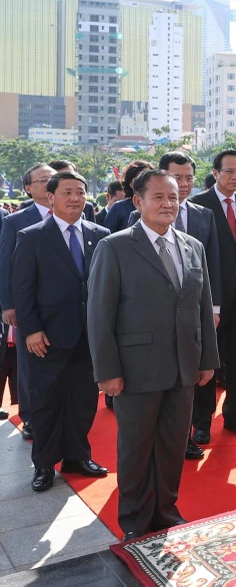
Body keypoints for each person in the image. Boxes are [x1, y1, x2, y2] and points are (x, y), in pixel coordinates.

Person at [88, 170, 219, 540]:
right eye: (158, 197)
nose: (168, 204)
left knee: (172, 445)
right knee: (135, 447)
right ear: (138, 202)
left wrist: (207, 357)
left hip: (184, 366)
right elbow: (100, 314)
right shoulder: (114, 247)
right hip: (136, 368)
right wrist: (107, 370)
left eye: (173, 197)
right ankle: (134, 520)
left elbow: (201, 307)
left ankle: (165, 511)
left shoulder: (193, 246)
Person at [12, 171, 110, 492]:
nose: (75, 198)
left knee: (83, 400)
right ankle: (43, 465)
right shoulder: (33, 236)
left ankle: (77, 457)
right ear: (50, 197)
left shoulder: (101, 234)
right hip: (48, 337)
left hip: (88, 335)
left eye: (80, 192)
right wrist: (31, 331)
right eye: (67, 192)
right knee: (46, 402)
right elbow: (23, 290)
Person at [126, 152, 223, 460]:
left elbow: (207, 284)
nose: (175, 194)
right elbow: (105, 309)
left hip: (188, 336)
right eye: (172, 181)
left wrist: (213, 310)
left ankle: (192, 437)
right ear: (139, 201)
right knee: (141, 442)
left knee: (179, 423)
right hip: (145, 350)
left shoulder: (197, 231)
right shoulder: (122, 239)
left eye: (186, 181)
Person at [188, 149, 236, 443]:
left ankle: (234, 414)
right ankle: (202, 421)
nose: (235, 176)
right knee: (209, 359)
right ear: (215, 173)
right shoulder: (197, 206)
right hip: (210, 299)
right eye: (229, 171)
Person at [0, 163, 56, 440]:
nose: (49, 184)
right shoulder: (15, 221)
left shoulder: (78, 212)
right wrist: (8, 305)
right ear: (28, 188)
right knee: (28, 362)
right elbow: (6, 265)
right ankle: (30, 417)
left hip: (64, 304)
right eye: (43, 180)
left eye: (52, 179)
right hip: (28, 303)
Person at [103, 161, 155, 233]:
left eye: (149, 179)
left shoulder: (160, 205)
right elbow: (107, 237)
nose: (146, 183)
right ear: (130, 183)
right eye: (141, 179)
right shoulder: (119, 208)